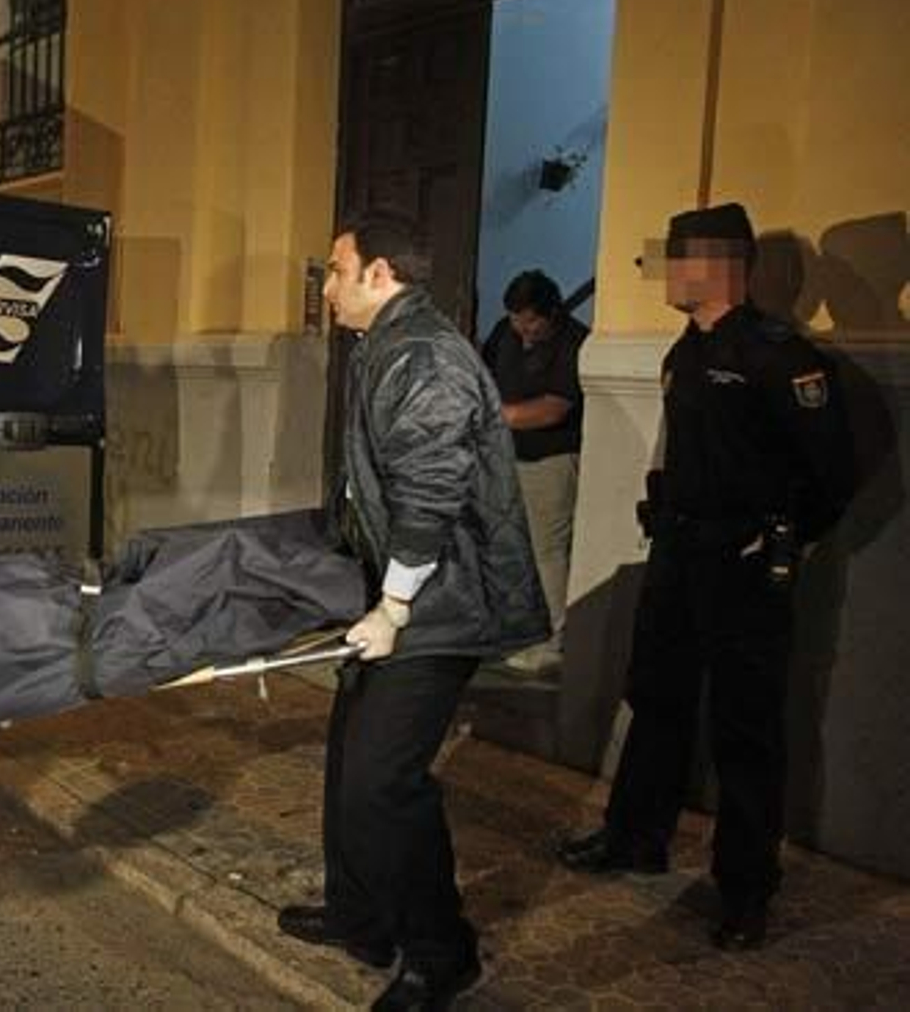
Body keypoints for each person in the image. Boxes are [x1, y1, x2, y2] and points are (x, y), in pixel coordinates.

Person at [556, 203, 855, 952]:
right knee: (655, 698)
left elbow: (833, 471)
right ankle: (635, 836)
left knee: (744, 728)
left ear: (718, 266)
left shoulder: (779, 356)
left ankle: (746, 890)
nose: (662, 273)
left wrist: (783, 538)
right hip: (679, 555)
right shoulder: (687, 352)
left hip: (742, 568)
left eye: (674, 258)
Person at [278, 212, 549, 1011]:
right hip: (400, 594)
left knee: (382, 782)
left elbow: (430, 493)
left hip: (441, 603)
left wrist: (393, 607)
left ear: (380, 272)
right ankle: (361, 916)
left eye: (336, 270)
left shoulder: (425, 355)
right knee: (348, 761)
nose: (326, 287)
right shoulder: (385, 343)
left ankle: (442, 952)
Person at [481, 269, 590, 677]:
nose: (522, 330)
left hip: (552, 459)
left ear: (552, 314)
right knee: (510, 545)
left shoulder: (574, 342)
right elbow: (484, 375)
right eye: (515, 320)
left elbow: (554, 408)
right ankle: (515, 628)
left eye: (530, 322)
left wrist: (496, 416)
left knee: (548, 551)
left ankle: (555, 639)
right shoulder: (504, 333)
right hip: (507, 457)